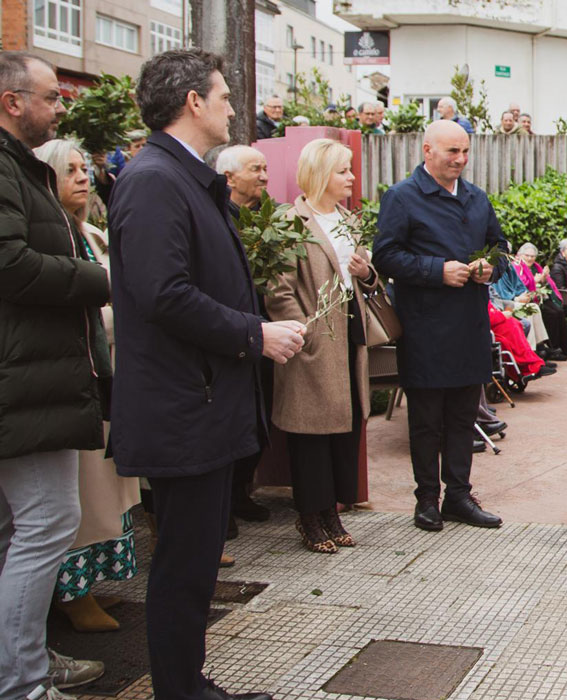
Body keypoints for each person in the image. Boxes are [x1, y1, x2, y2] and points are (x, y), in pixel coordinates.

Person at [109, 49, 305, 700]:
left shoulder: (183, 178)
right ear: (192, 102)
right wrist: (255, 333)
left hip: (201, 403)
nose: (230, 106)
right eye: (222, 96)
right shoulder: (155, 180)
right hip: (181, 408)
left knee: (193, 567)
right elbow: (163, 294)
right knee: (183, 568)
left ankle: (188, 686)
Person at [0, 50, 110, 700]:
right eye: (50, 97)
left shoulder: (22, 168)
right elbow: (10, 264)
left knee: (22, 530)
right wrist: (96, 280)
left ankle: (25, 657)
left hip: (30, 379)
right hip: (23, 384)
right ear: (13, 102)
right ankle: (23, 680)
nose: (60, 108)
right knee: (46, 522)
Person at [373, 119, 506, 532]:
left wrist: (490, 266)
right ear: (427, 150)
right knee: (427, 420)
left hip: (468, 324)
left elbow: (501, 247)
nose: (461, 160)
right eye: (452, 152)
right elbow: (386, 257)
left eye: (465, 151)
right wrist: (437, 271)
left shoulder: (477, 197)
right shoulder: (402, 197)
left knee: (464, 417)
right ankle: (427, 499)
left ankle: (460, 496)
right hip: (425, 328)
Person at [34, 137, 141, 633]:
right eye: (69, 169)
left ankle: (90, 586)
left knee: (106, 493)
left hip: (108, 376)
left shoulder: (93, 234)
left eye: (83, 168)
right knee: (79, 496)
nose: (82, 177)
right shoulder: (47, 242)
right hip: (74, 382)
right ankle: (70, 596)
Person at [266, 138, 376, 553]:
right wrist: (303, 332)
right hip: (311, 339)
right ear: (320, 174)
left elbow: (367, 277)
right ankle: (310, 517)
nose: (351, 177)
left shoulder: (350, 219)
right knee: (310, 432)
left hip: (350, 334)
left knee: (344, 427)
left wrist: (367, 273)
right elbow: (279, 289)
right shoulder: (291, 222)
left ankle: (332, 511)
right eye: (343, 170)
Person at [215, 144, 275, 527]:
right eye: (256, 169)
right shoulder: (220, 219)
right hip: (232, 332)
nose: (265, 176)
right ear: (230, 178)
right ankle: (227, 501)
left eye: (266, 168)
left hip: (266, 331)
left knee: (260, 414)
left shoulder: (268, 222)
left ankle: (242, 491)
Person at [515, 242, 567, 357]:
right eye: (527, 256)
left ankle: (565, 347)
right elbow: (520, 286)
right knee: (551, 313)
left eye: (532, 256)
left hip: (540, 297)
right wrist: (534, 282)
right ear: (520, 255)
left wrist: (544, 278)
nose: (530, 258)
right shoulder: (517, 267)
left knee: (559, 311)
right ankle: (551, 347)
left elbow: (547, 284)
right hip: (528, 298)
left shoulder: (536, 267)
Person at [217, 145, 269, 219]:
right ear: (229, 178)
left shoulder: (281, 215)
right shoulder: (214, 216)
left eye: (265, 170)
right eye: (255, 169)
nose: (264, 178)